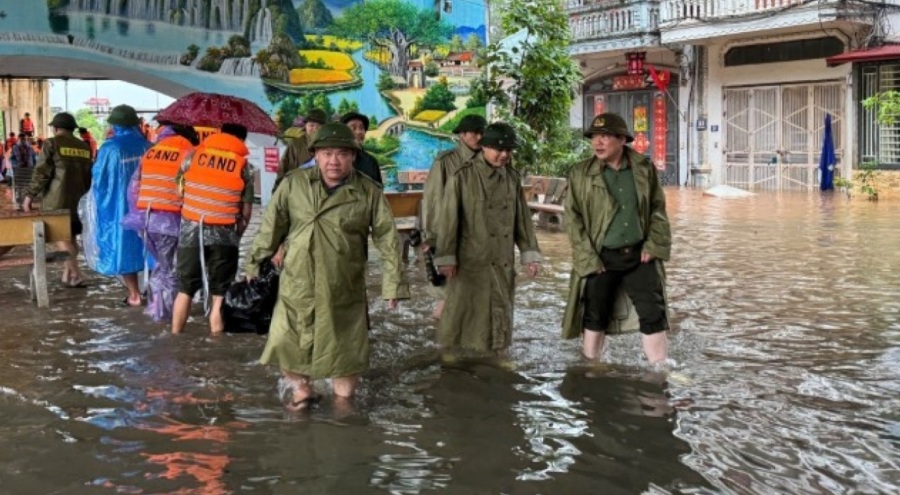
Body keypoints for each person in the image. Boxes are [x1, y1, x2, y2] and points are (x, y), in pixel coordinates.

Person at [244, 122, 409, 410]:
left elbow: (387, 239)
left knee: (345, 353)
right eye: (327, 153)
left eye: (342, 154)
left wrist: (392, 283)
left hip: (343, 285)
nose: (334, 161)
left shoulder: (368, 192)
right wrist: (254, 263)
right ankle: (302, 391)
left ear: (354, 156)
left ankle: (343, 413)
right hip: (297, 280)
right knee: (288, 342)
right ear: (316, 155)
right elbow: (271, 227)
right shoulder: (294, 184)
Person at [562, 113, 672, 366]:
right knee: (594, 314)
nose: (597, 142)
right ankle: (591, 367)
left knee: (653, 312)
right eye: (594, 137)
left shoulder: (643, 169)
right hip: (601, 257)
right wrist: (588, 258)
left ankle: (659, 368)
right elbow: (573, 220)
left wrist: (654, 244)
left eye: (605, 136)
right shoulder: (580, 174)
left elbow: (658, 209)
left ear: (622, 139)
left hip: (639, 256)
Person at [433, 123, 542, 355]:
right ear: (483, 147)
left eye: (509, 151)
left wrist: (529, 255)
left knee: (500, 306)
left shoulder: (512, 178)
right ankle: (449, 354)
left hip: (502, 258)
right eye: (498, 149)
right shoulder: (463, 176)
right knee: (459, 310)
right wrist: (446, 257)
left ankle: (498, 353)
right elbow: (449, 220)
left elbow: (522, 219)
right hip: (470, 258)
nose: (504, 155)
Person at [171, 123, 254, 335]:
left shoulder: (193, 156)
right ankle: (217, 345)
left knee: (185, 289)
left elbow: (179, 190)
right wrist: (238, 235)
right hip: (225, 233)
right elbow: (246, 211)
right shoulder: (243, 166)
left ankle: (175, 337)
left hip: (191, 230)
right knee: (220, 293)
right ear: (241, 141)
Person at [122, 124, 200, 322]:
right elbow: (188, 188)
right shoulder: (188, 153)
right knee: (172, 270)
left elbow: (134, 187)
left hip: (146, 220)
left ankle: (158, 312)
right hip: (170, 221)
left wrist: (138, 216)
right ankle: (167, 316)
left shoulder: (151, 152)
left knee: (161, 266)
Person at [81, 104, 151, 306]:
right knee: (150, 248)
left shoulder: (110, 148)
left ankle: (135, 295)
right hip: (148, 208)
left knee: (124, 248)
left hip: (119, 208)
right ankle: (154, 294)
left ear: (115, 125)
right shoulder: (149, 147)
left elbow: (98, 179)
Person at [421, 114, 486, 320]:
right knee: (449, 290)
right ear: (461, 135)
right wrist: (431, 238)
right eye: (474, 132)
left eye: (482, 132)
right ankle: (441, 335)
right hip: (451, 234)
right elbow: (432, 201)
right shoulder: (446, 162)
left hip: (479, 236)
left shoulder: (488, 160)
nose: (479, 137)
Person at [22, 112, 93, 288]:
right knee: (71, 238)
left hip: (57, 201)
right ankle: (67, 275)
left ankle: (76, 274)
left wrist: (29, 196)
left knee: (60, 237)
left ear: (55, 128)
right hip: (79, 201)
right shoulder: (84, 147)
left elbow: (42, 172)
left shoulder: (51, 143)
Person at [274, 108, 327, 190]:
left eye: (319, 126)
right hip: (299, 190)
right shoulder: (295, 144)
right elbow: (283, 169)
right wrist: (277, 190)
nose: (315, 129)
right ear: (305, 126)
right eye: (311, 125)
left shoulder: (330, 144)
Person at [340, 111, 382, 184]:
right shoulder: (334, 161)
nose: (359, 132)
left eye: (361, 128)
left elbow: (378, 192)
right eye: (353, 128)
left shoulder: (371, 162)